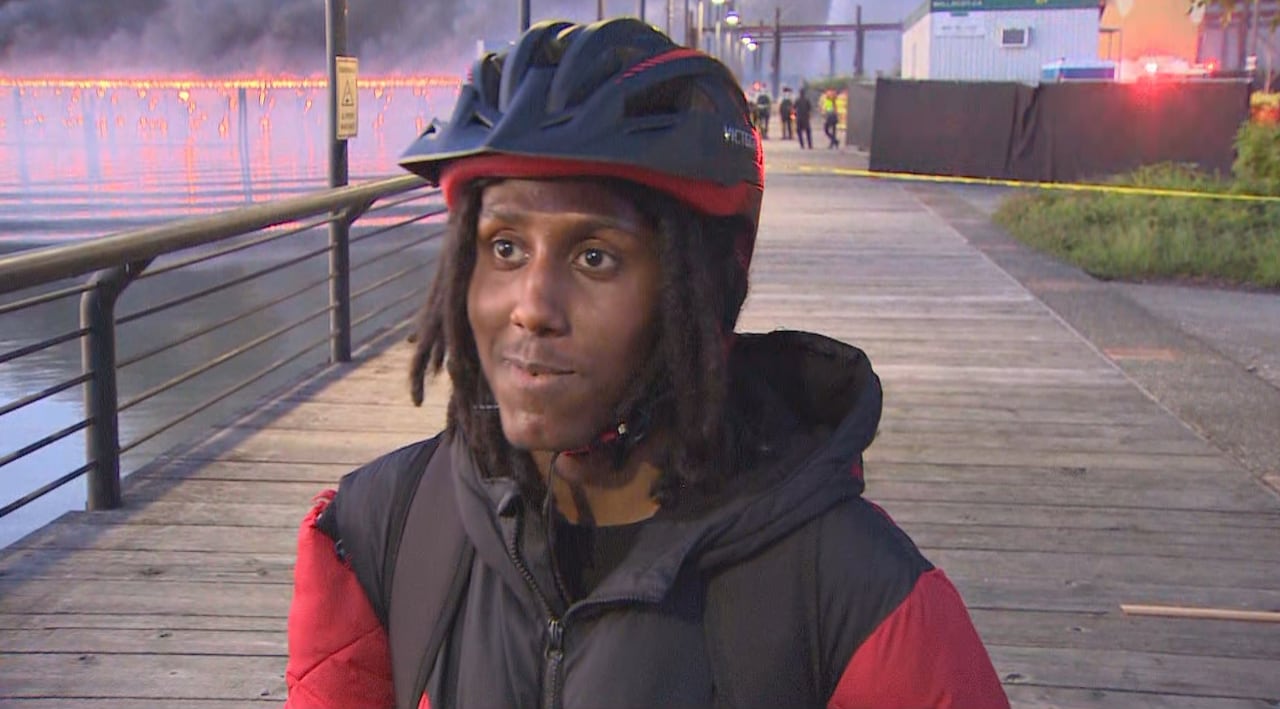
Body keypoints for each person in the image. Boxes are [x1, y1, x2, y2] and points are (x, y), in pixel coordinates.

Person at [284, 18, 1008, 709]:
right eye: (504, 247)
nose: (531, 306)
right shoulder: (381, 534)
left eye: (595, 256)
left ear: (707, 285)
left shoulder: (857, 597)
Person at [794, 85, 813, 149]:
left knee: (799, 132)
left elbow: (794, 108)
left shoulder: (797, 100)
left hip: (799, 118)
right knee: (808, 132)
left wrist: (794, 116)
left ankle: (802, 145)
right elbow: (810, 109)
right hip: (806, 118)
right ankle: (810, 145)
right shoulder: (807, 100)